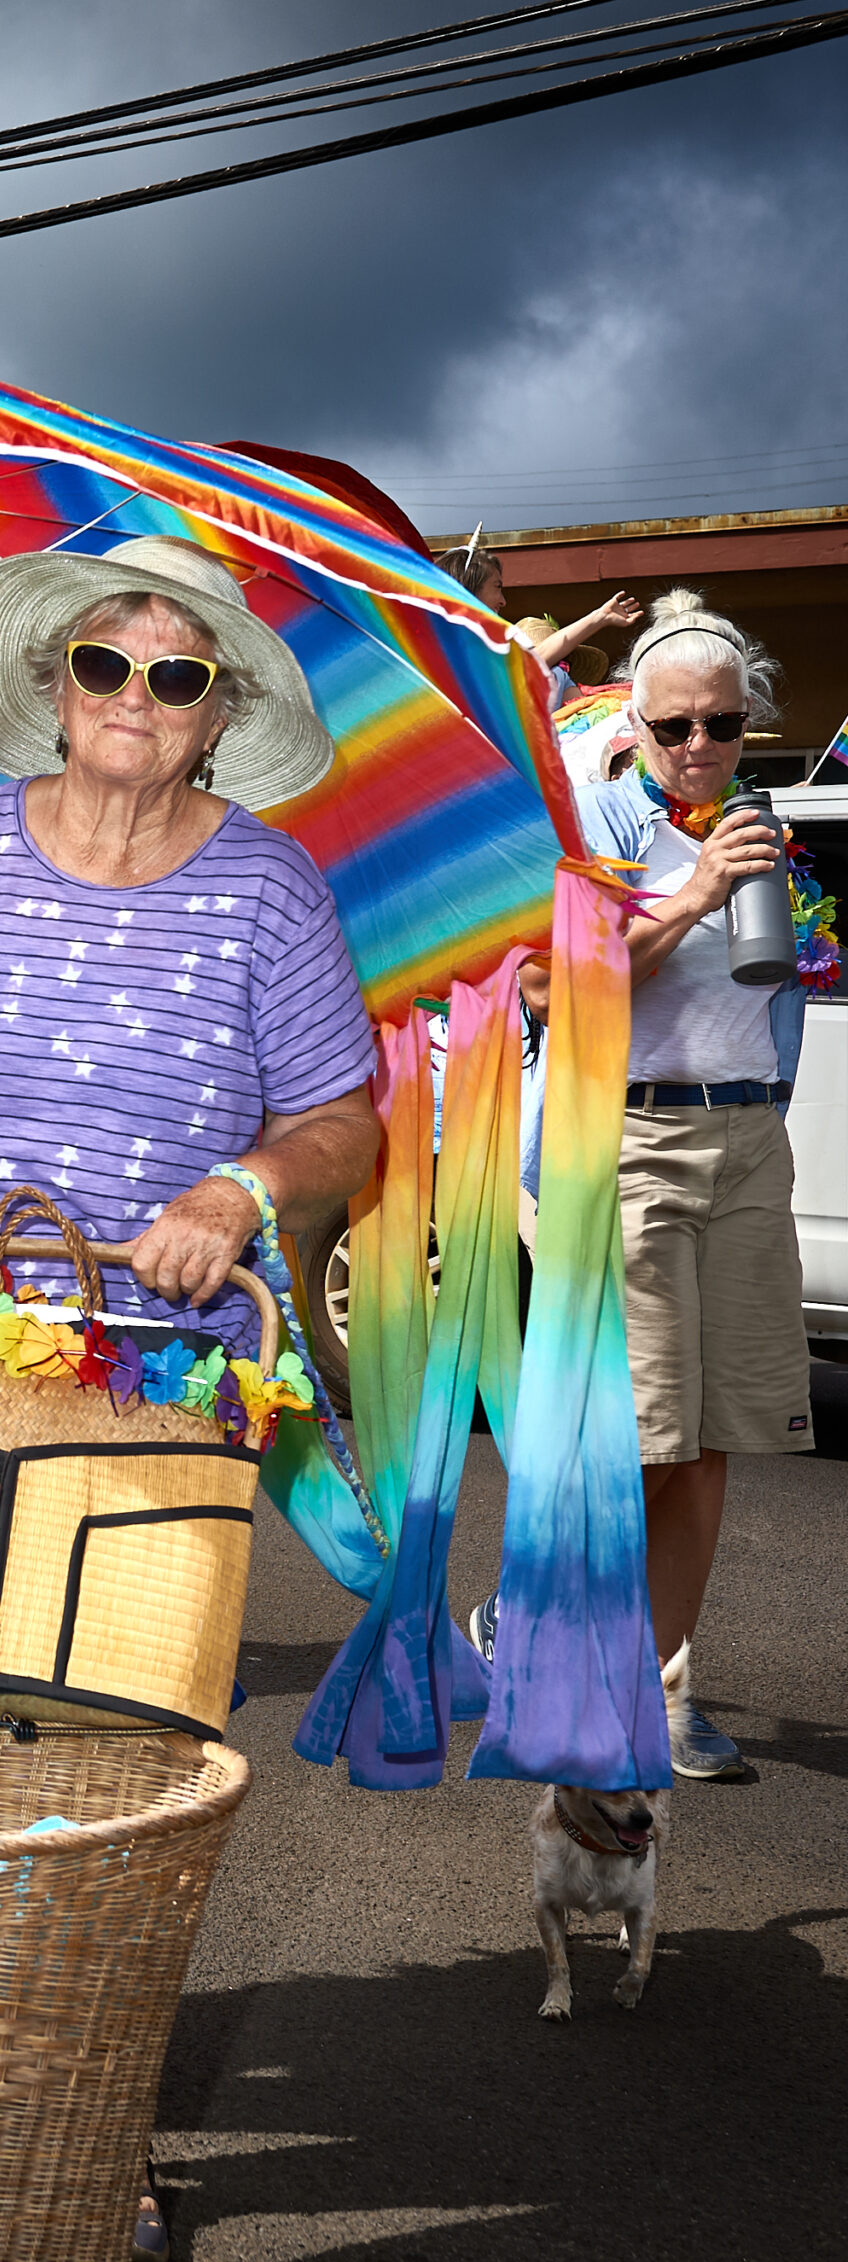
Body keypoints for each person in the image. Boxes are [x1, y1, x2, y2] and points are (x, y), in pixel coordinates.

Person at [0, 533, 381, 2262]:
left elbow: (342, 1121)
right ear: (54, 689)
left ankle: (92, 2130)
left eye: (173, 673)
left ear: (218, 712)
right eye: (105, 664)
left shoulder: (270, 888)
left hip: (159, 1386)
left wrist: (242, 1192)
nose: (134, 695)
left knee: (118, 1766)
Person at [509, 590, 807, 1780]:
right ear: (632, 724)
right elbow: (546, 987)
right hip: (629, 1138)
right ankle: (543, 1628)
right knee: (644, 1441)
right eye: (673, 725)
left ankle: (654, 1686)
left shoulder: (757, 820)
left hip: (749, 1140)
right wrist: (687, 899)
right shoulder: (599, 820)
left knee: (715, 1435)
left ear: (746, 724)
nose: (697, 746)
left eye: (721, 724)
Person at [442, 537, 643, 687]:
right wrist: (599, 617)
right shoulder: (447, 652)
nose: (503, 601)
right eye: (497, 586)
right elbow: (531, 663)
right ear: (469, 590)